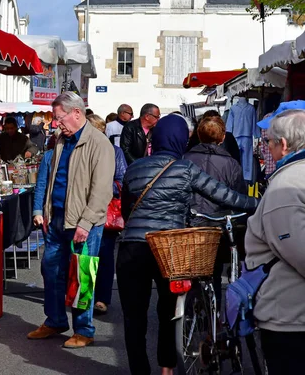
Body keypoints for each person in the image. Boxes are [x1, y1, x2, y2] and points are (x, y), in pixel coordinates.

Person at [117, 114, 258, 375]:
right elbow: (224, 195)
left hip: (131, 248)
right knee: (168, 311)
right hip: (169, 248)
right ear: (182, 139)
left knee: (133, 317)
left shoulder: (135, 168)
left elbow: (128, 211)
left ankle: (139, 370)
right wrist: (260, 204)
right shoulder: (184, 168)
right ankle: (167, 367)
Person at [28, 92, 115, 349]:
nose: (56, 123)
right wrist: (44, 210)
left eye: (59, 118)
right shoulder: (60, 141)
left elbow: (101, 191)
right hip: (56, 220)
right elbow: (50, 178)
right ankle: (55, 320)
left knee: (82, 275)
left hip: (83, 223)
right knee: (51, 271)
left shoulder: (99, 144)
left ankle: (84, 330)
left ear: (76, 113)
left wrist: (86, 223)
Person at [245, 109, 305, 374]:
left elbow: (298, 251)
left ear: (283, 145)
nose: (265, 147)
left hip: (290, 316)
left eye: (268, 142)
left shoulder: (285, 186)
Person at [185, 116, 246, 303]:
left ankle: (189, 310)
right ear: (222, 137)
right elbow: (237, 198)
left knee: (190, 270)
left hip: (189, 223)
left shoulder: (184, 159)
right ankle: (215, 319)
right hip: (217, 226)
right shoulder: (231, 164)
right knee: (216, 272)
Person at [86, 114, 127, 314]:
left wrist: (99, 186)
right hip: (83, 209)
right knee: (84, 254)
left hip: (106, 209)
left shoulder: (115, 152)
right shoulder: (80, 151)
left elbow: (121, 179)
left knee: (104, 255)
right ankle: (85, 295)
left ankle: (102, 297)